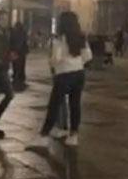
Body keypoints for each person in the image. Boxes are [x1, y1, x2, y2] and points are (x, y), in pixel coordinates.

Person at [38, 11, 92, 147]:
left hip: (64, 75)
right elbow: (88, 56)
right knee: (75, 105)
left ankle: (44, 135)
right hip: (79, 73)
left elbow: (56, 58)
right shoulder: (81, 37)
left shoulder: (59, 39)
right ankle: (74, 135)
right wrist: (77, 62)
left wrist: (53, 64)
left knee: (54, 105)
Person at [10, 21, 29, 86]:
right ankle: (21, 77)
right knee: (21, 65)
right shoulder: (23, 32)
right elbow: (24, 41)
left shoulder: (14, 32)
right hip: (22, 52)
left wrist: (13, 50)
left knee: (15, 65)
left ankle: (17, 77)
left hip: (16, 51)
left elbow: (13, 41)